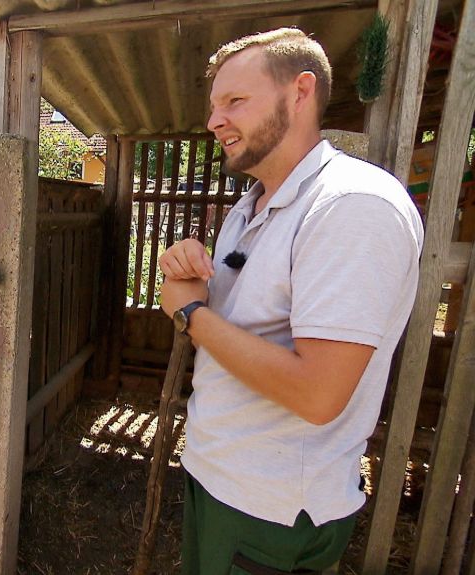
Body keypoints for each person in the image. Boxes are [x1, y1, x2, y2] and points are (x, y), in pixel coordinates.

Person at [158, 28, 423, 574]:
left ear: (300, 92)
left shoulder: (352, 206)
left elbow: (318, 393)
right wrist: (194, 279)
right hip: (223, 477)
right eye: (214, 106)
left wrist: (189, 313)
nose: (214, 121)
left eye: (235, 101)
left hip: (273, 508)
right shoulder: (248, 208)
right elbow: (244, 326)